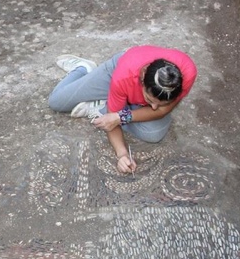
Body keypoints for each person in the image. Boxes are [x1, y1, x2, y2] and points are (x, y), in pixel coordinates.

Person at [48, 45, 197, 174]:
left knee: (153, 134)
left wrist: (120, 117)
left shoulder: (184, 75)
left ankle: (102, 106)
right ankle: (82, 69)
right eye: (149, 100)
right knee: (57, 102)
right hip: (119, 73)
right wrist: (122, 154)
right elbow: (112, 123)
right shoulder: (124, 76)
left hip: (130, 90)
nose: (153, 108)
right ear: (142, 78)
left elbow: (161, 111)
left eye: (162, 102)